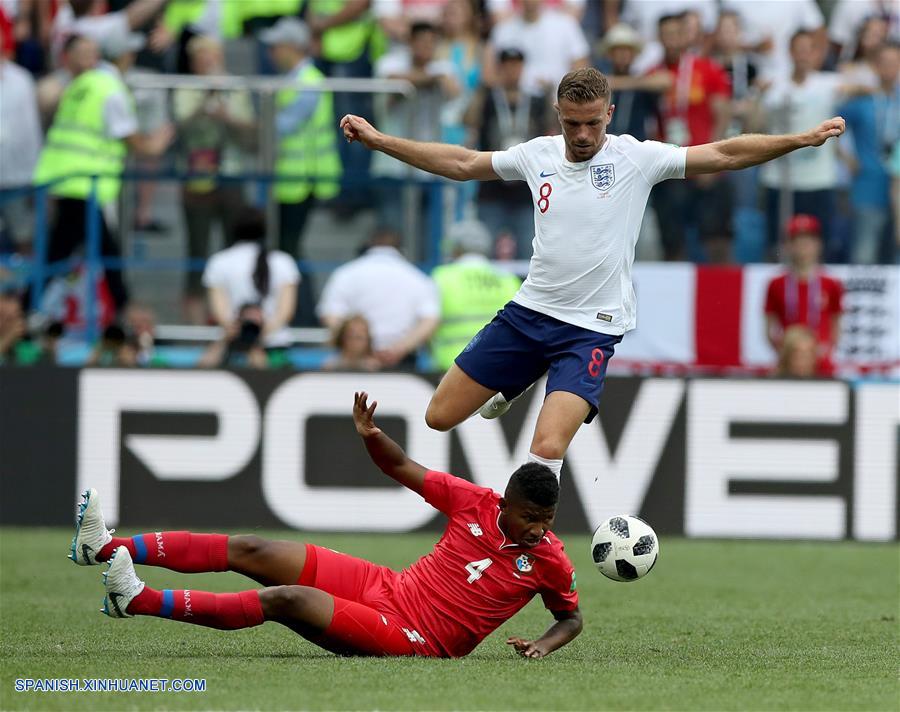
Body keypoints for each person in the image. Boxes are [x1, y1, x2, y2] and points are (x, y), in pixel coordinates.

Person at [339, 66, 846, 478]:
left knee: (546, 446)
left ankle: (535, 560)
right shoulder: (535, 155)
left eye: (592, 124)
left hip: (591, 328)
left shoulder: (637, 158)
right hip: (528, 313)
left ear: (610, 113)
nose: (582, 135)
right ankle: (522, 376)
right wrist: (381, 141)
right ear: (557, 114)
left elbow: (724, 152)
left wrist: (798, 140)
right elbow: (462, 163)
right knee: (439, 417)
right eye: (571, 124)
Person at [70, 391, 582, 660]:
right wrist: (371, 435)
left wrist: (544, 642)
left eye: (546, 519)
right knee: (255, 549)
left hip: (416, 636)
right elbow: (402, 467)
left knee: (288, 598)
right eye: (529, 517)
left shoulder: (551, 560)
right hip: (389, 587)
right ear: (506, 502)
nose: (538, 528)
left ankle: (137, 600)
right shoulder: (475, 501)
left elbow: (571, 618)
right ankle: (104, 547)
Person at [32, 32, 174, 315]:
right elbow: (129, 138)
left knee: (67, 250)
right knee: (92, 250)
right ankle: (124, 310)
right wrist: (156, 145)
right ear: (124, 57)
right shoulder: (109, 88)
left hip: (63, 178)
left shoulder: (82, 84)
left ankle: (27, 307)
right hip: (85, 181)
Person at [262, 15, 342, 322]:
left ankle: (303, 315)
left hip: (302, 179)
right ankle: (299, 314)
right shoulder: (295, 79)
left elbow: (281, 127)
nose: (270, 52)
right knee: (287, 250)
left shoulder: (308, 82)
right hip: (293, 178)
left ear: (292, 47)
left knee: (289, 251)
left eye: (276, 45)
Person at [172, 34, 255, 322]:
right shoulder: (183, 87)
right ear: (194, 61)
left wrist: (226, 116)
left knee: (236, 249)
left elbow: (250, 134)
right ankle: (196, 326)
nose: (209, 61)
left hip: (230, 173)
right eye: (203, 56)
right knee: (197, 252)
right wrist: (204, 99)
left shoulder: (236, 87)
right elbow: (179, 127)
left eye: (213, 55)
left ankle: (233, 317)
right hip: (196, 175)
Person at [648, 11, 733, 262]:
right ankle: (673, 296)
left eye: (677, 34)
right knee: (672, 240)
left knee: (717, 238)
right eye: (666, 35)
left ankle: (720, 294)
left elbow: (723, 115)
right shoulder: (652, 74)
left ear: (686, 36)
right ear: (659, 38)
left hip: (705, 164)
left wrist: (713, 161)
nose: (672, 41)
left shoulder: (708, 69)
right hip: (670, 168)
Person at [464, 47, 551, 257]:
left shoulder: (536, 100)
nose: (512, 70)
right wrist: (481, 90)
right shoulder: (489, 99)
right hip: (491, 186)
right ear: (500, 68)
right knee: (484, 251)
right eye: (507, 65)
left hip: (526, 188)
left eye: (517, 65)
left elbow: (551, 128)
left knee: (529, 253)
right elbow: (468, 121)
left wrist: (549, 93)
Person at [317, 226, 440, 370]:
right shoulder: (418, 278)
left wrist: (356, 345)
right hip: (401, 363)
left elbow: (330, 314)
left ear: (366, 245)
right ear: (400, 249)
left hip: (355, 362)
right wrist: (399, 349)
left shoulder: (345, 274)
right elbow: (430, 320)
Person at [201, 207, 299, 363]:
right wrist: (262, 332)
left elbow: (220, 313)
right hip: (273, 344)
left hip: (234, 345)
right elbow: (285, 312)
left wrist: (241, 333)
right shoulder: (283, 262)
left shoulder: (219, 262)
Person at [838, 41, 900, 265]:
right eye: (884, 63)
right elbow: (828, 123)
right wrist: (845, 158)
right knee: (865, 255)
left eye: (894, 63)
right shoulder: (862, 101)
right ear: (875, 66)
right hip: (867, 186)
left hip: (898, 190)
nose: (889, 68)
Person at [430, 219, 520, 371]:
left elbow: (428, 323)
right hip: (501, 369)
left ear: (455, 248)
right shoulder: (509, 280)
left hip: (451, 369)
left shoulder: (442, 278)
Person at [764, 214, 843, 377]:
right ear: (788, 246)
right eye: (797, 240)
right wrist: (785, 351)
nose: (803, 246)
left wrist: (822, 350)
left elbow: (836, 324)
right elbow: (769, 326)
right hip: (788, 361)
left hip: (821, 362)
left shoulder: (831, 284)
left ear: (818, 244)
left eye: (808, 240)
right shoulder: (776, 284)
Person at [483, 0, 589, 97]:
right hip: (514, 104)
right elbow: (489, 75)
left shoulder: (566, 25)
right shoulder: (502, 29)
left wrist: (562, 90)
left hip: (557, 103)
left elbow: (581, 68)